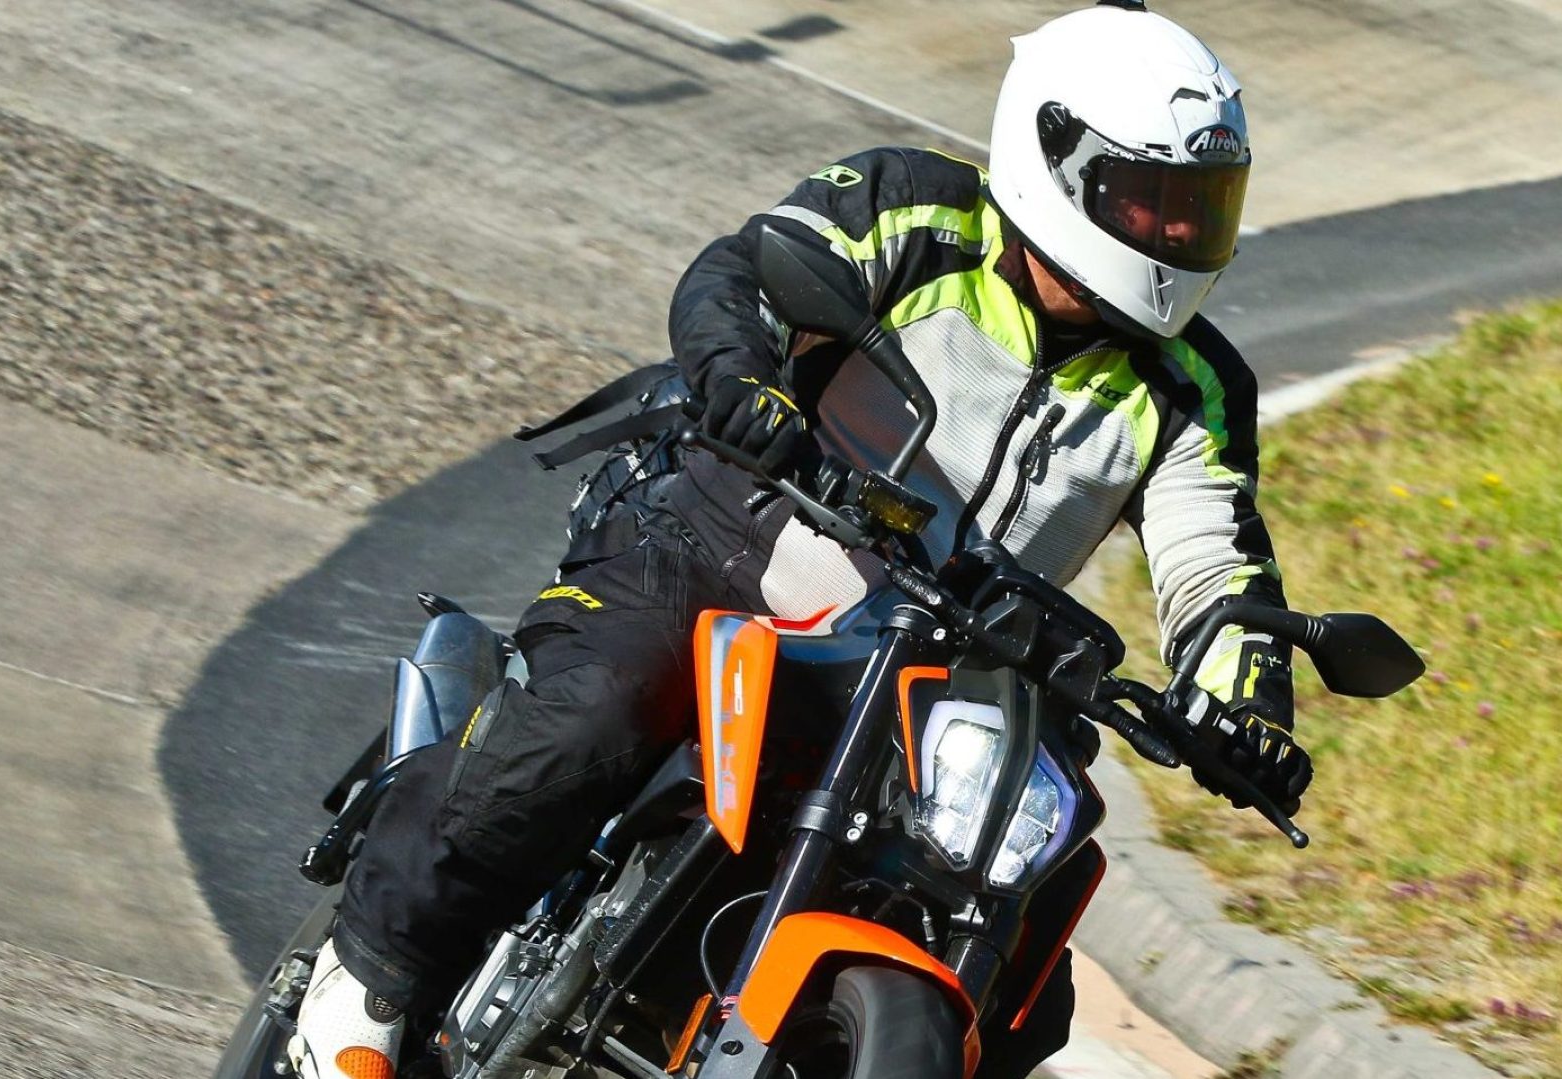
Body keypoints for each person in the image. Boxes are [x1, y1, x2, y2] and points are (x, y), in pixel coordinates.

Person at [289, 4, 1310, 1077]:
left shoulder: (1195, 386)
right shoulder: (913, 209)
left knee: (1025, 954)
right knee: (590, 716)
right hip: (727, 553)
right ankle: (369, 977)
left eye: (1200, 209)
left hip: (939, 681)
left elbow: (1218, 560)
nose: (1178, 235)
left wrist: (1242, 706)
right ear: (1056, 158)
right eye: (1153, 201)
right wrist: (743, 382)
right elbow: (744, 275)